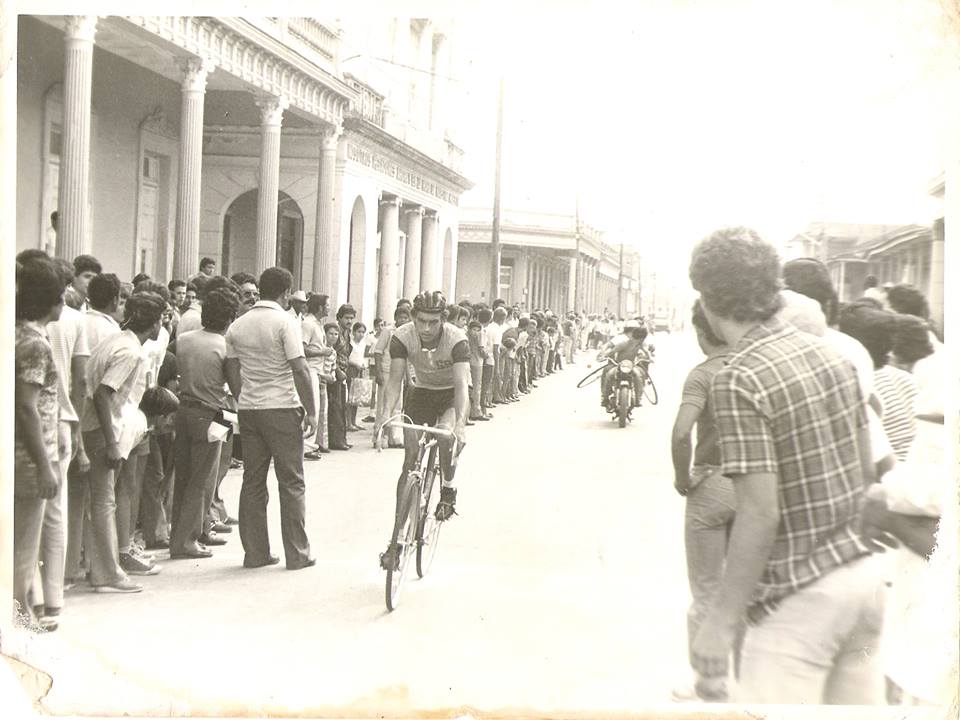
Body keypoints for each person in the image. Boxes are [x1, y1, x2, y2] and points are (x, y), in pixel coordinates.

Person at [688, 227, 881, 705]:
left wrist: (721, 620)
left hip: (798, 604)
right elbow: (864, 472)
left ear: (708, 299)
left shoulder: (739, 377)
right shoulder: (832, 354)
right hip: (862, 586)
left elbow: (759, 513)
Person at [224, 267, 316, 570]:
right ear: (286, 293)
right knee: (291, 481)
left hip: (250, 409)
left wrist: (243, 397)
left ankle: (256, 552)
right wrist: (311, 410)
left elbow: (232, 369)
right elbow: (300, 368)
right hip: (281, 407)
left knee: (253, 480)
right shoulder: (284, 322)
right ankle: (297, 553)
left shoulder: (238, 325)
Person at [670, 300, 739, 702]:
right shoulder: (753, 366)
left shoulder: (703, 374)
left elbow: (681, 434)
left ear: (701, 332)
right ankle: (746, 674)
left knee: (707, 588)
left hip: (711, 482)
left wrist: (683, 478)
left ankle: (710, 683)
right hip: (757, 485)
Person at [81, 293, 167, 592]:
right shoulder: (131, 351)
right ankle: (107, 574)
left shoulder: (115, 340)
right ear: (154, 323)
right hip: (102, 429)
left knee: (99, 501)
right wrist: (112, 442)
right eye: (161, 319)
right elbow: (104, 393)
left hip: (93, 427)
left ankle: (97, 567)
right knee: (105, 502)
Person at [379, 291, 470, 571]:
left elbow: (462, 385)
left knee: (445, 436)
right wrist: (385, 417)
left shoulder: (457, 340)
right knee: (409, 464)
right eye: (421, 322)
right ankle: (395, 541)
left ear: (443, 320)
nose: (426, 329)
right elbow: (394, 381)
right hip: (421, 394)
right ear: (414, 319)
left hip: (450, 395)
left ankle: (447, 488)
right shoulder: (402, 336)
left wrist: (460, 426)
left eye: (433, 322)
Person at [171, 284, 241, 559]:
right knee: (204, 479)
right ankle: (187, 540)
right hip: (215, 412)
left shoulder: (185, 339)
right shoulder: (225, 347)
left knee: (185, 476)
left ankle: (189, 532)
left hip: (185, 407)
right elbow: (236, 387)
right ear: (230, 317)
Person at [14, 257, 65, 629]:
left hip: (18, 455)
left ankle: (26, 609)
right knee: (22, 549)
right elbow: (28, 408)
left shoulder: (16, 333)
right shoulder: (34, 344)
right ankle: (17, 619)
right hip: (28, 458)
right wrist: (45, 465)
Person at [373, 305, 412, 448]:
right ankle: (380, 436)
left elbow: (407, 357)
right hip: (386, 371)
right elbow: (378, 351)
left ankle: (395, 437)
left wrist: (408, 377)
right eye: (400, 317)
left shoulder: (408, 333)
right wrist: (378, 372)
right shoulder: (387, 331)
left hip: (398, 373)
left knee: (397, 405)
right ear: (395, 318)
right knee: (383, 405)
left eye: (405, 317)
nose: (403, 320)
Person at [301, 293, 334, 459]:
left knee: (319, 408)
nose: (329, 308)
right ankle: (306, 446)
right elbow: (302, 348)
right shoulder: (308, 324)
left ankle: (311, 443)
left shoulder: (317, 324)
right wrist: (323, 351)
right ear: (320, 307)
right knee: (311, 407)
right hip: (309, 370)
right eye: (327, 305)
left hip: (318, 371)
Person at [596, 319, 649, 411]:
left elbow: (645, 350)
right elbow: (608, 346)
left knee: (640, 375)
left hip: (631, 365)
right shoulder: (619, 338)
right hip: (616, 363)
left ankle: (638, 397)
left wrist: (646, 355)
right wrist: (603, 353)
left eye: (635, 330)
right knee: (607, 373)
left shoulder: (640, 341)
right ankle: (605, 396)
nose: (633, 332)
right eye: (632, 329)